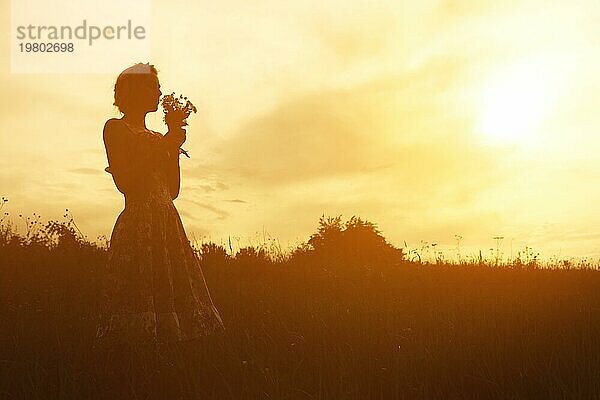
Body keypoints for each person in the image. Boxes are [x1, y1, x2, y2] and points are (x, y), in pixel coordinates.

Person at [95, 62, 225, 351]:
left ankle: (169, 362)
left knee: (171, 298)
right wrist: (164, 145)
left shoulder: (157, 138)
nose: (159, 93)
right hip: (138, 222)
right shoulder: (115, 129)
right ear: (135, 90)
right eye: (153, 88)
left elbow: (173, 191)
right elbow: (125, 182)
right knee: (137, 297)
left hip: (166, 222)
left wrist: (172, 147)